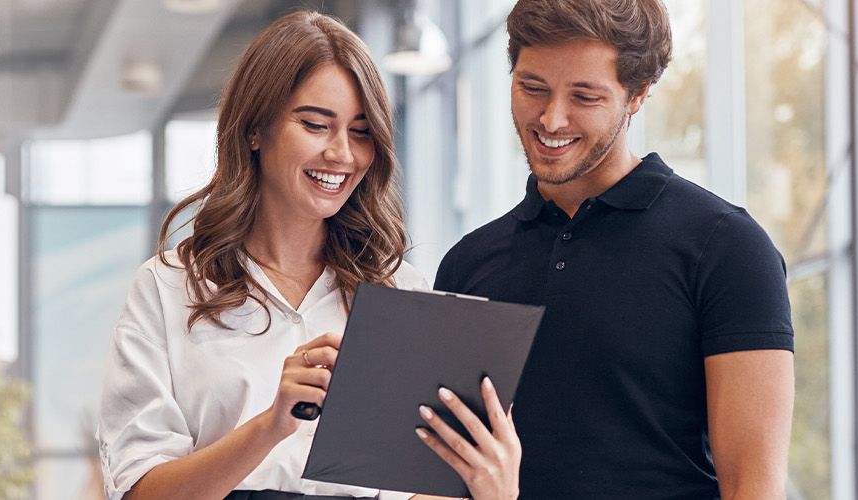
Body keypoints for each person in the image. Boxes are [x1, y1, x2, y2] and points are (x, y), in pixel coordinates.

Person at [95, 10, 520, 500]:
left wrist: (493, 490)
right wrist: (271, 425)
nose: (342, 153)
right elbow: (137, 492)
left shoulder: (401, 292)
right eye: (317, 124)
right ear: (255, 130)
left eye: (361, 132)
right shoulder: (169, 289)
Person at [428, 0, 796, 498]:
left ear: (638, 94)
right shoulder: (469, 263)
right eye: (532, 87)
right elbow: (442, 474)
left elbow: (753, 487)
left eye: (584, 96)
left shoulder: (727, 248)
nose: (551, 119)